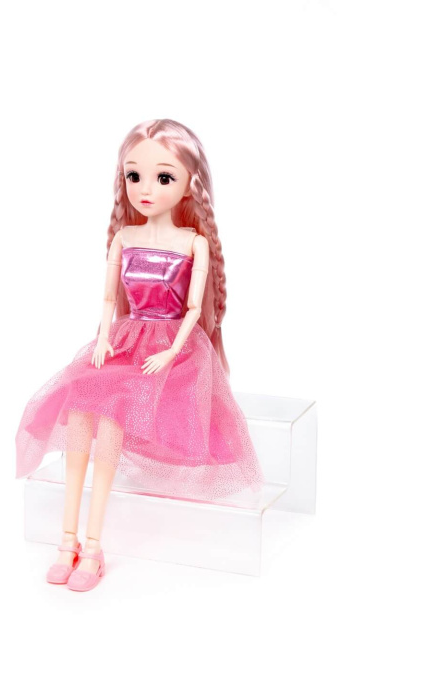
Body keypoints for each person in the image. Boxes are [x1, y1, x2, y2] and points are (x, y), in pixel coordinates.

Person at [15, 119, 264, 591]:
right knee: (79, 406)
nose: (145, 188)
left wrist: (170, 351)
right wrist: (103, 338)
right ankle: (66, 540)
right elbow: (109, 298)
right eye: (134, 175)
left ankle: (93, 547)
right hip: (125, 341)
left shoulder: (193, 243)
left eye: (163, 177)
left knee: (111, 417)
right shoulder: (124, 238)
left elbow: (194, 309)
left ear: (190, 185)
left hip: (171, 349)